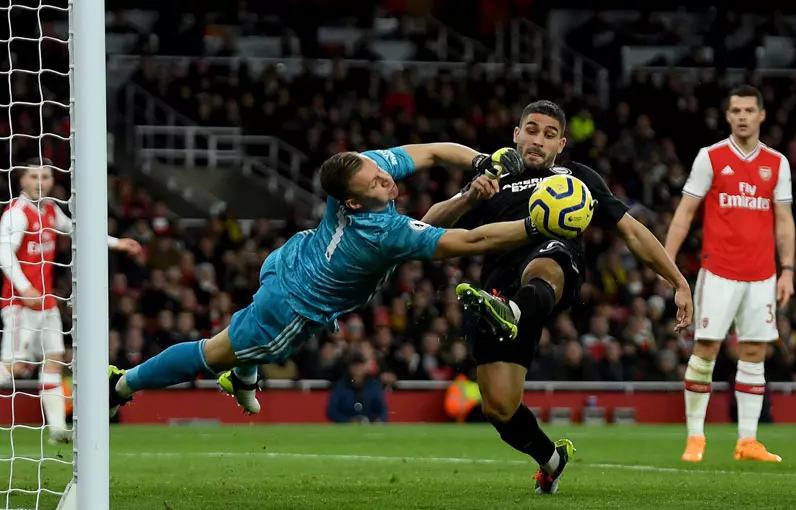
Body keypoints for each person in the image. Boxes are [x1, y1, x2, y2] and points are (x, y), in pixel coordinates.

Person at [108, 143, 532, 418]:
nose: (387, 179)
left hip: (289, 258)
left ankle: (242, 376)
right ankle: (122, 384)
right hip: (291, 309)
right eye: (376, 183)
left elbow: (436, 154)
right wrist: (536, 225)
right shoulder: (381, 233)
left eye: (380, 172)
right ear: (352, 200)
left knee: (241, 333)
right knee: (213, 352)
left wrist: (480, 164)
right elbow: (473, 239)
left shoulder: (358, 169)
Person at [422, 100, 693, 495]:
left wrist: (678, 281)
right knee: (499, 408)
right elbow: (426, 226)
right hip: (497, 282)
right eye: (531, 130)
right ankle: (551, 459)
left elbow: (632, 231)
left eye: (549, 135)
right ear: (516, 134)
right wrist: (468, 198)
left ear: (561, 144)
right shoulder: (493, 174)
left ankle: (512, 310)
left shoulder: (576, 177)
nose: (538, 141)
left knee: (548, 260)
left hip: (553, 266)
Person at [665, 85, 794, 463]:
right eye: (735, 110)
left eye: (749, 110)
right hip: (719, 271)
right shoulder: (711, 157)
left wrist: (786, 270)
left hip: (762, 275)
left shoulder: (777, 163)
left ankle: (747, 441)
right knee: (706, 348)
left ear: (761, 115)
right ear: (727, 116)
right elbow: (686, 211)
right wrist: (668, 262)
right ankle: (695, 437)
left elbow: (783, 221)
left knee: (755, 352)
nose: (742, 116)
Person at [0, 158, 141, 443]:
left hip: (47, 304)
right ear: (21, 181)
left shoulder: (51, 210)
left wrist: (116, 243)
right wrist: (25, 288)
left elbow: (79, 232)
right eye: (33, 176)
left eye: (46, 176)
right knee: (12, 368)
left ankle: (56, 429)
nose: (40, 182)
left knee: (54, 361)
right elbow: (4, 254)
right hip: (19, 304)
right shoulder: (16, 213)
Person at [326, 352, 387, 423]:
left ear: (364, 366)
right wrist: (348, 421)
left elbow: (382, 410)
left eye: (360, 365)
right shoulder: (340, 386)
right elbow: (332, 412)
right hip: (346, 428)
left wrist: (379, 420)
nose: (357, 368)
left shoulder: (373, 385)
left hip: (370, 427)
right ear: (349, 368)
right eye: (354, 366)